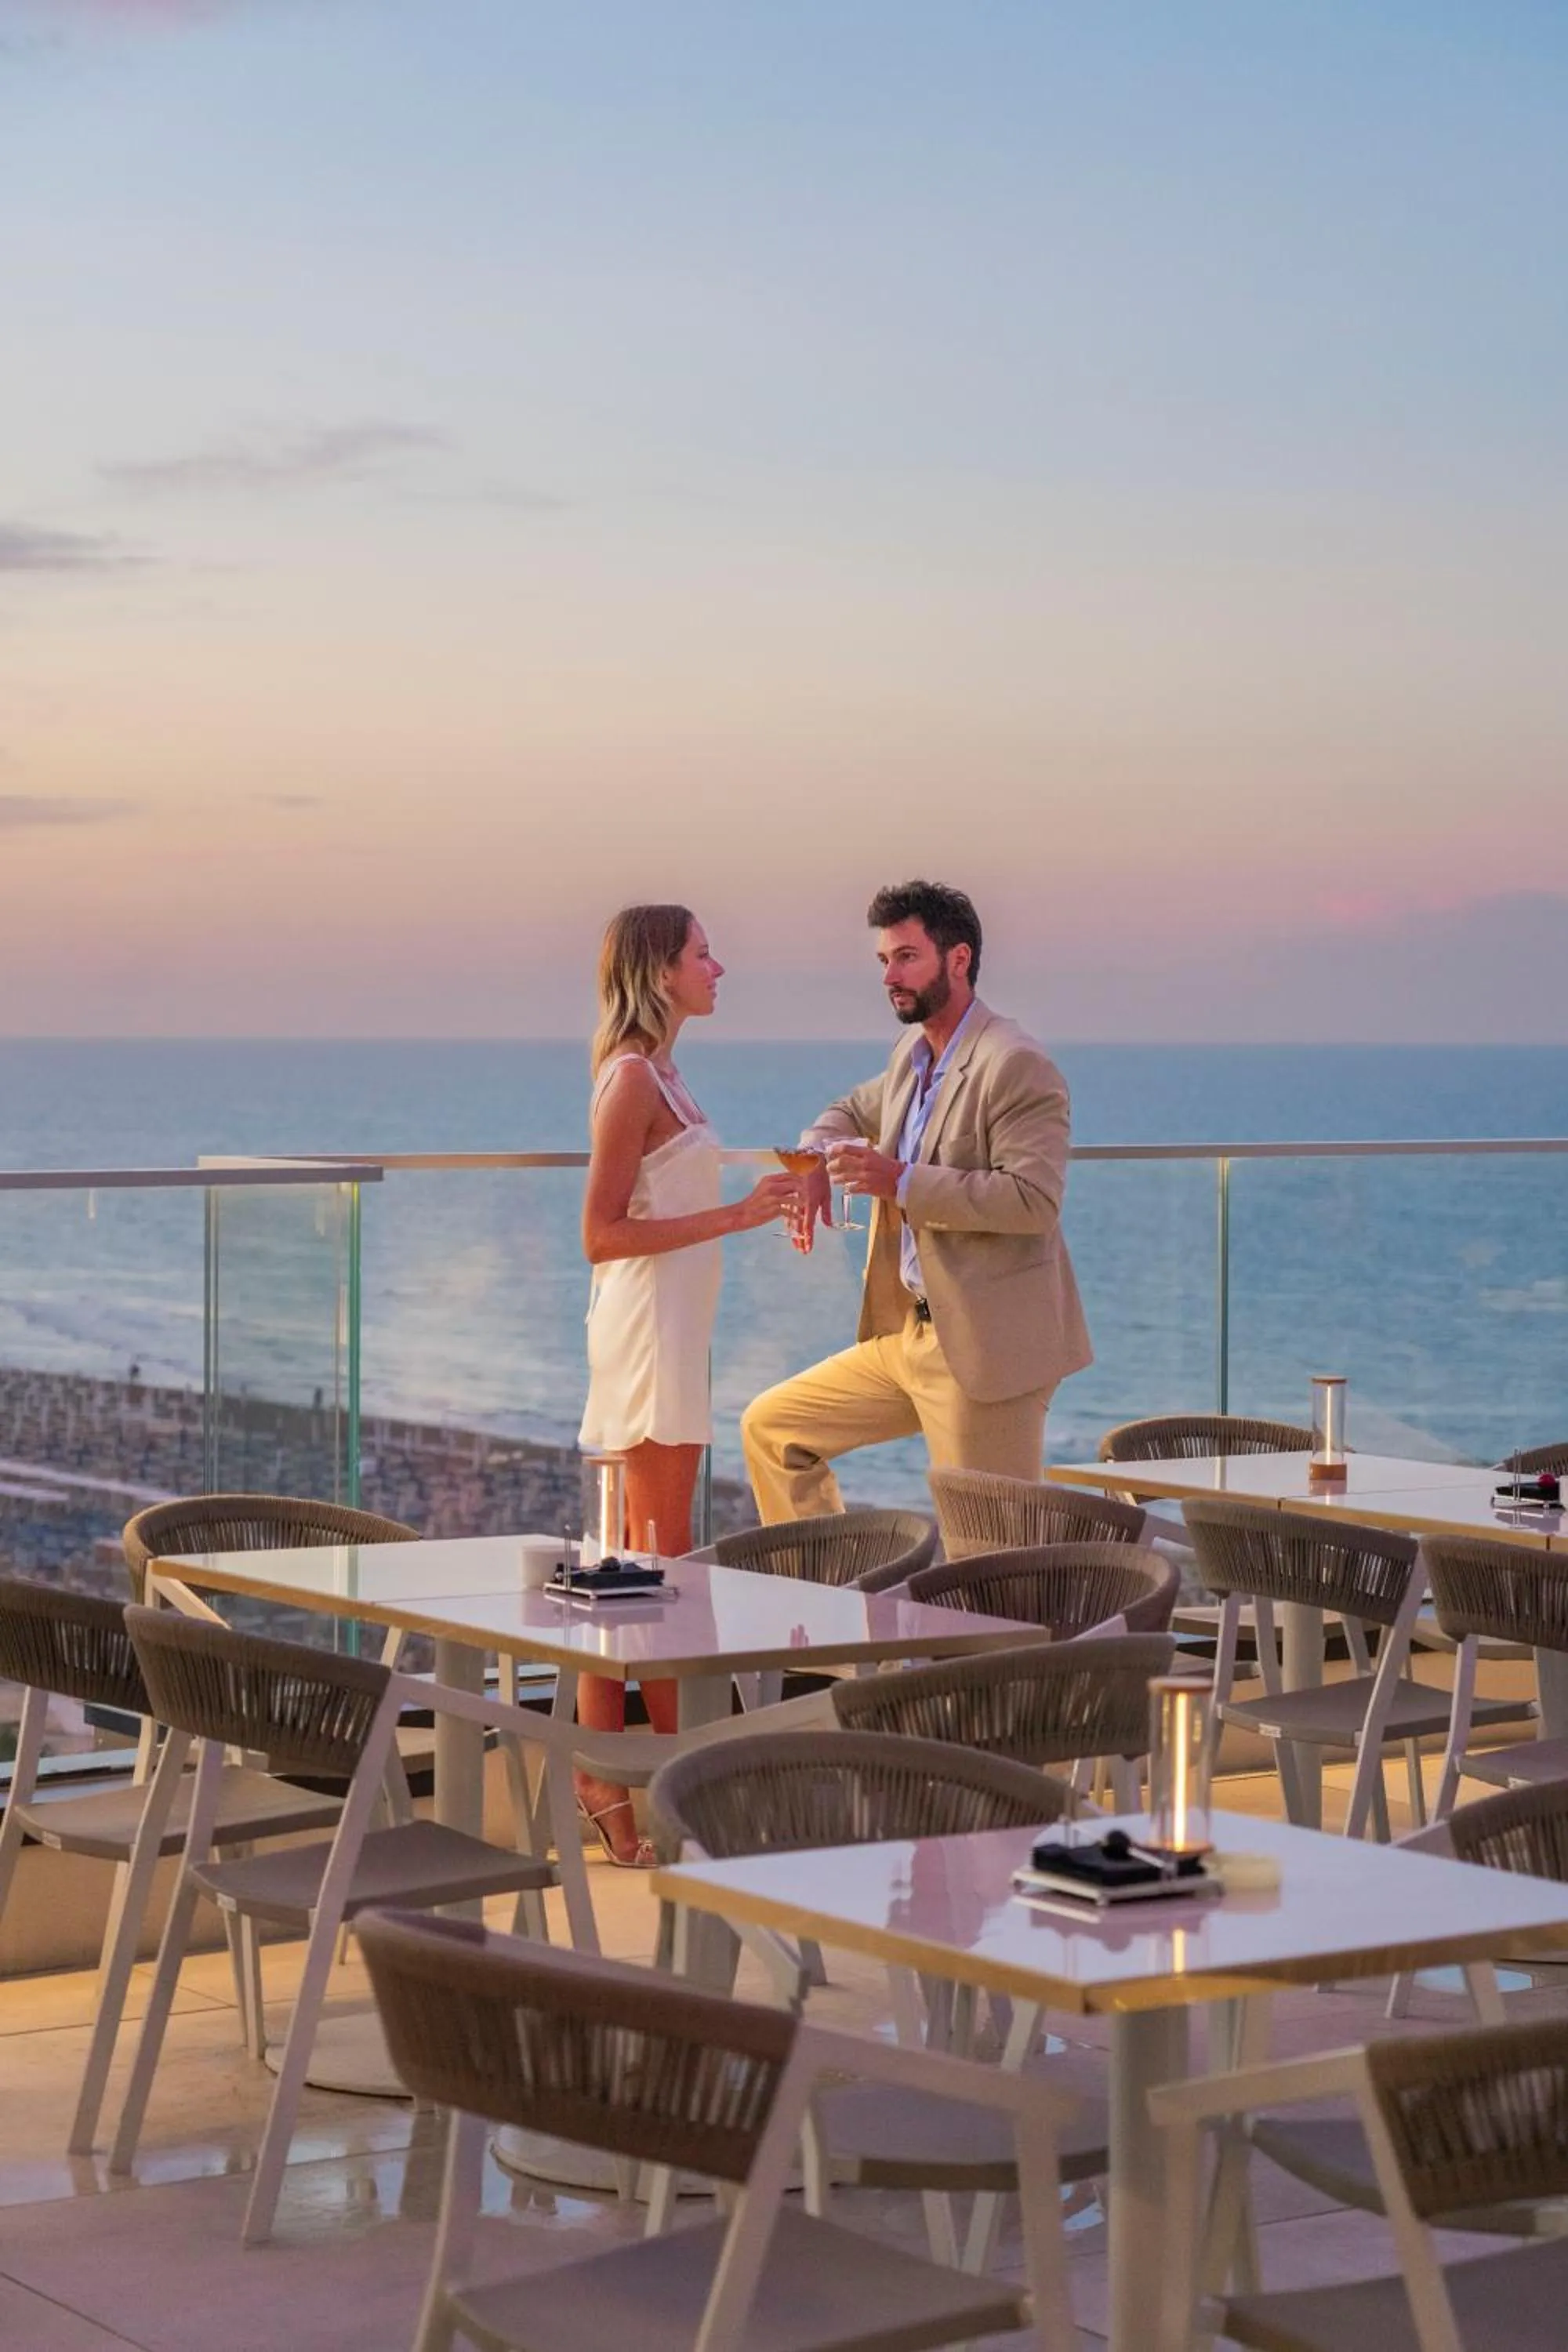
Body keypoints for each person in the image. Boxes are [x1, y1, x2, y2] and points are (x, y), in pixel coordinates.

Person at [742, 879, 1091, 1520]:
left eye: (906, 957)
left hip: (984, 1349)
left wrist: (898, 1182)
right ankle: (827, 1604)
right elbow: (846, 1110)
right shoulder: (913, 1055)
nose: (889, 976)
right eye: (883, 961)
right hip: (909, 1335)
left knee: (988, 1562)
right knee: (774, 1430)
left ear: (958, 959)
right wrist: (818, 1161)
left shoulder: (1015, 1064)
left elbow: (1034, 1199)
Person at [576, 903, 800, 1863]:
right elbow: (600, 1233)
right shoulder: (631, 1079)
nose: (720, 965)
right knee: (652, 1569)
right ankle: (668, 1787)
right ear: (660, 970)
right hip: (646, 1333)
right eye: (703, 953)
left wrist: (776, 1189)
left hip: (674, 1331)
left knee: (633, 1570)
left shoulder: (666, 1073)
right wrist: (738, 1217)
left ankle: (611, 1777)